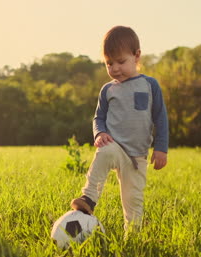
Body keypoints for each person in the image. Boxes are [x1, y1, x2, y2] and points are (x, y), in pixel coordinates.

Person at [70, 25, 169, 230]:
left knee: (133, 200)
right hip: (114, 145)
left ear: (137, 56)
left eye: (121, 62)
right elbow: (99, 117)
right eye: (109, 63)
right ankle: (88, 199)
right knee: (104, 152)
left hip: (137, 157)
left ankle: (132, 237)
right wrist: (100, 133)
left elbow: (160, 118)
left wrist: (161, 148)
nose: (115, 68)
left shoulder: (150, 85)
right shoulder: (108, 90)